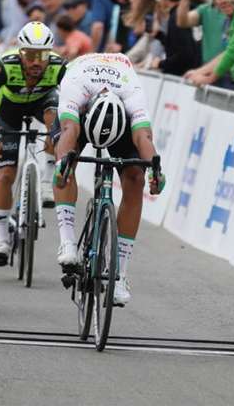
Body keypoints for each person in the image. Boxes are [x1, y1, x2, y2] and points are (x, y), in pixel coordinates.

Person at [52, 52, 164, 306]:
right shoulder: (74, 86)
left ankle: (120, 274)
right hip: (80, 109)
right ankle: (67, 242)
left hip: (119, 111)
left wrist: (157, 171)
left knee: (136, 177)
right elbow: (69, 130)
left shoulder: (132, 94)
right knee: (65, 165)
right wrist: (61, 166)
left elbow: (143, 138)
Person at [0, 22, 66, 266]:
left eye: (42, 55)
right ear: (20, 52)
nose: (36, 62)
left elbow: (75, 100)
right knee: (5, 174)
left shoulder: (58, 66)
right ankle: (2, 240)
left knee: (57, 117)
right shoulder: (5, 66)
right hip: (9, 110)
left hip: (41, 103)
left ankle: (46, 180)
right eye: (30, 55)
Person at [176, 0, 229, 65]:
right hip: (207, 68)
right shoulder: (205, 9)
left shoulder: (233, 9)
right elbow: (182, 22)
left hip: (228, 70)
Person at [151, 0, 200, 76]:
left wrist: (160, 63)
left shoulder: (176, 17)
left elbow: (184, 54)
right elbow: (178, 44)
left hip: (185, 77)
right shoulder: (194, 10)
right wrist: (159, 35)